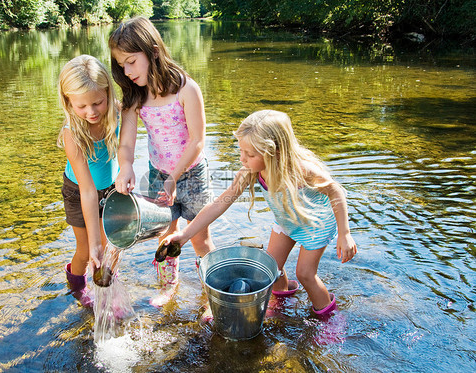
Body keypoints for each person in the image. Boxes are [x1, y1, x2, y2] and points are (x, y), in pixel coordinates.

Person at [163, 110, 357, 316]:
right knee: (270, 269)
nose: (243, 159)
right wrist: (185, 235)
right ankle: (281, 299)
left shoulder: (301, 170)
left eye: (251, 154)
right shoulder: (250, 172)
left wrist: (344, 234)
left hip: (315, 224)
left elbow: (335, 190)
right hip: (287, 221)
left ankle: (328, 317)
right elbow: (219, 204)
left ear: (275, 152)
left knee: (305, 274)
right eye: (241, 151)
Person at [109, 16, 215, 307]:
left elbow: (197, 141)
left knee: (199, 239)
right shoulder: (136, 96)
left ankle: (209, 295)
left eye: (131, 61)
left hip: (192, 174)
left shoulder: (186, 89)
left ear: (153, 51)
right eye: (121, 65)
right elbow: (127, 143)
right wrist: (126, 166)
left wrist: (175, 178)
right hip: (158, 174)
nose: (127, 71)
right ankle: (169, 287)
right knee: (165, 233)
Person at [57, 55, 120, 308]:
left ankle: (109, 288)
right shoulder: (72, 134)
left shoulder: (116, 110)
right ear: (68, 101)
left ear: (107, 94)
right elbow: (88, 191)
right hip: (80, 192)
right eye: (81, 106)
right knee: (86, 248)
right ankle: (77, 288)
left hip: (111, 188)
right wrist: (95, 242)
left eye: (97, 103)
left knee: (111, 246)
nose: (91, 112)